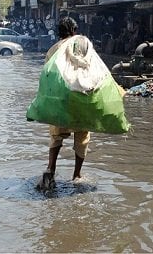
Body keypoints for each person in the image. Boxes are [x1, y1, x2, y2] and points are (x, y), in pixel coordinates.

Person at [37, 16, 91, 191]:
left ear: (59, 32)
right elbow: (91, 69)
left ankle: (50, 170)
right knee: (82, 137)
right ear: (74, 31)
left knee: (56, 136)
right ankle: (76, 175)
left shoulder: (53, 50)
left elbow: (47, 75)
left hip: (60, 99)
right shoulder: (82, 45)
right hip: (80, 97)